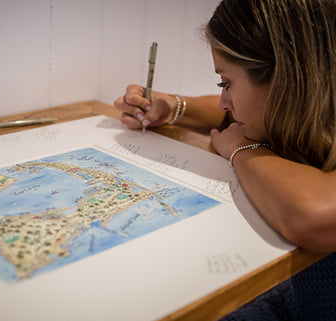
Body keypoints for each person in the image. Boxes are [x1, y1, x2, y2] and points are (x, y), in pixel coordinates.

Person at [113, 0, 336, 320]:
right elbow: (227, 111)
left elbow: (314, 217)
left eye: (226, 83)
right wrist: (172, 105)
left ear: (285, 77)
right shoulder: (310, 115)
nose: (222, 100)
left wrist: (241, 150)